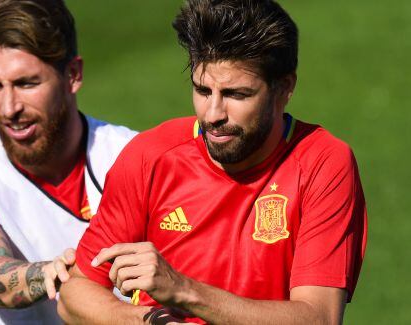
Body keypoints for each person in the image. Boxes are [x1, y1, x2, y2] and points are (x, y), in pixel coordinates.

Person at [58, 0, 368, 324]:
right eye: (202, 90)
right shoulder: (150, 155)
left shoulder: (322, 163)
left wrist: (183, 290)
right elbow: (75, 294)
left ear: (284, 88)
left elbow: (318, 318)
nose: (213, 114)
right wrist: (147, 322)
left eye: (236, 94)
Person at [0, 0, 136, 324]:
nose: (9, 108)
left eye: (26, 84)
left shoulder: (136, 156)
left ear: (73, 75)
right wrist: (55, 273)